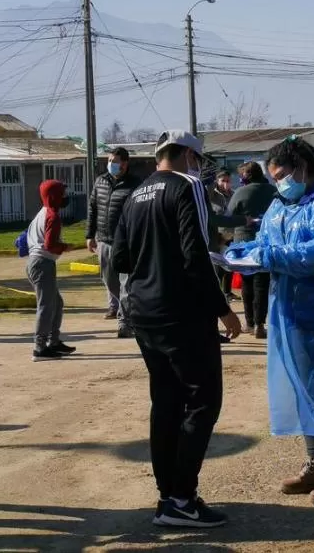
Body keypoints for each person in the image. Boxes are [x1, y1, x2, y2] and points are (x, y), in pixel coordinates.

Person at [225, 136, 314, 507]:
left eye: (282, 175)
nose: (279, 183)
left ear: (303, 167)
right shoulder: (284, 203)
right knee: (301, 387)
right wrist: (240, 253)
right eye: (274, 178)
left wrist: (272, 255)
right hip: (289, 309)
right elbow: (266, 240)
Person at [112, 130, 242, 528]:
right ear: (189, 156)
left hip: (143, 312)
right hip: (181, 313)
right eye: (199, 161)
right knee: (204, 401)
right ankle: (182, 498)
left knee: (166, 402)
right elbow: (195, 254)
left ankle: (168, 495)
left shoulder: (137, 193)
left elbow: (119, 257)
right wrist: (223, 310)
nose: (200, 168)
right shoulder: (188, 186)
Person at [86, 147, 141, 338]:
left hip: (125, 242)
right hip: (104, 240)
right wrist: (89, 235)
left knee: (125, 282)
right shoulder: (101, 181)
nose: (111, 164)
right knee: (109, 281)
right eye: (110, 160)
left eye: (115, 161)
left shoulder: (135, 184)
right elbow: (93, 209)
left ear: (125, 163)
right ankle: (119, 307)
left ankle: (125, 322)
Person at [24, 180, 77, 361]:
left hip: (37, 263)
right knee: (46, 306)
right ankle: (39, 348)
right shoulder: (52, 216)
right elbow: (50, 245)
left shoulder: (42, 212)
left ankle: (54, 342)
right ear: (53, 196)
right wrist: (65, 247)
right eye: (62, 193)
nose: (65, 197)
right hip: (42, 264)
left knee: (56, 303)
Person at [226, 161, 277, 340]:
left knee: (247, 283)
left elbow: (229, 214)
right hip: (266, 241)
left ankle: (249, 322)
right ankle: (260, 324)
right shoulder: (272, 191)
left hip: (243, 241)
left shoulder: (240, 192)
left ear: (244, 177)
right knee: (262, 283)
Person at [207, 169, 242, 303]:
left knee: (229, 265)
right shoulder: (212, 196)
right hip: (217, 235)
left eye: (228, 181)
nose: (226, 184)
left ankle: (227, 292)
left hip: (231, 234)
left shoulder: (233, 194)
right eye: (223, 181)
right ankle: (217, 293)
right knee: (217, 266)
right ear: (217, 181)